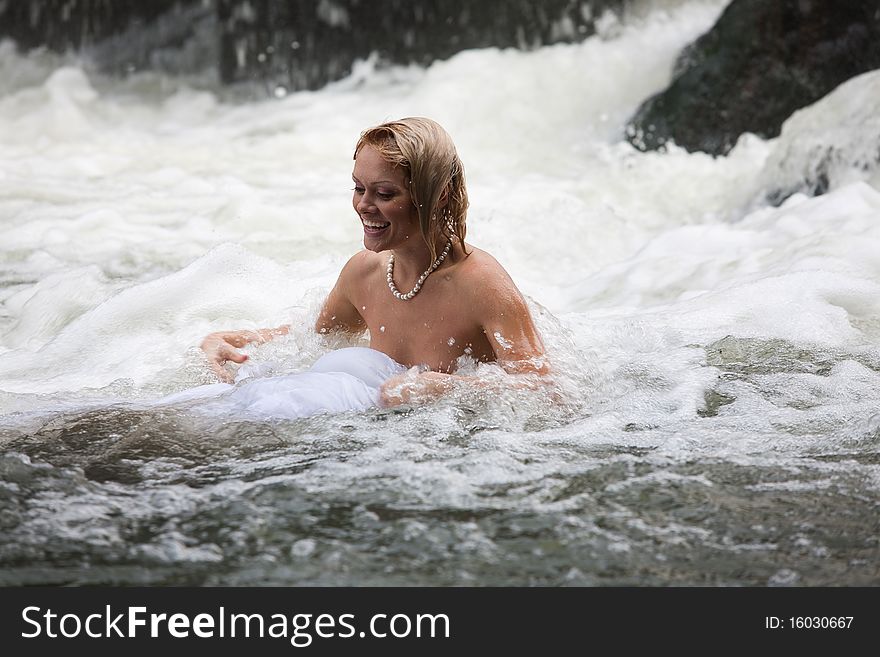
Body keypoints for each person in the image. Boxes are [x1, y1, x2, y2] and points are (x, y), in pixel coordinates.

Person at [200, 117, 548, 408]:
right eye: (358, 188)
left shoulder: (481, 283)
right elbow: (307, 339)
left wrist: (448, 388)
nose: (364, 205)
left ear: (438, 195)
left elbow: (548, 391)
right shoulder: (365, 272)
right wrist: (228, 339)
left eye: (385, 194)